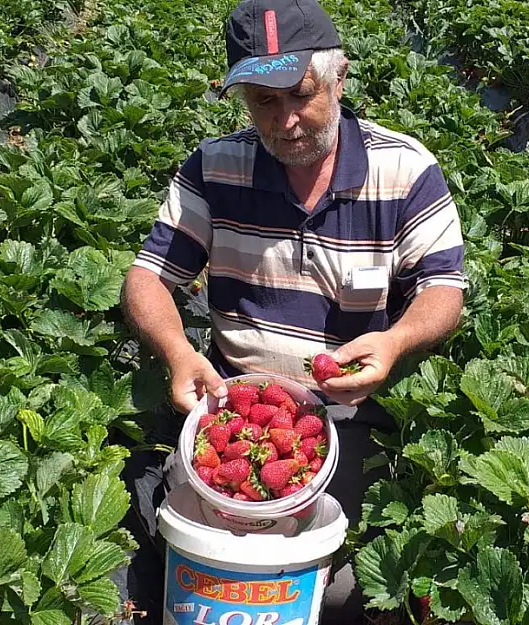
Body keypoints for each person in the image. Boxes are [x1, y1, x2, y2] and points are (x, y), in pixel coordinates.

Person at [114, 0, 466, 621]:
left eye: (300, 96)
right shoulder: (214, 167)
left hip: (346, 413)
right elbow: (147, 278)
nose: (286, 121)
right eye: (262, 102)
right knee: (169, 548)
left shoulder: (404, 168)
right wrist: (178, 351)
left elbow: (444, 291)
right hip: (228, 402)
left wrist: (394, 342)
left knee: (332, 591)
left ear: (339, 77)